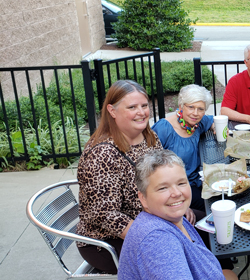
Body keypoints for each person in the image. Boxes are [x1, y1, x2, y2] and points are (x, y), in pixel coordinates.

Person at [76, 80, 162, 274]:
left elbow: (165, 176)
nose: (141, 112)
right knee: (169, 254)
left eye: (144, 105)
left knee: (205, 228)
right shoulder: (102, 154)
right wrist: (155, 235)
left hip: (150, 220)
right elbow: (106, 216)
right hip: (107, 241)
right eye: (132, 107)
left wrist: (177, 209)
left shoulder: (149, 137)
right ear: (112, 111)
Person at [118, 149, 237, 280]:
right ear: (143, 199)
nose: (176, 193)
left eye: (181, 183)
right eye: (163, 188)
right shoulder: (157, 241)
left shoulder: (173, 218)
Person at [152, 84, 214, 213]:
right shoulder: (164, 128)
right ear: (181, 106)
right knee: (213, 205)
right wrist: (177, 202)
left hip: (194, 183)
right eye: (191, 107)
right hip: (172, 189)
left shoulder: (197, 123)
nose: (195, 113)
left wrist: (215, 126)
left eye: (200, 109)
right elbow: (151, 168)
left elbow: (212, 120)